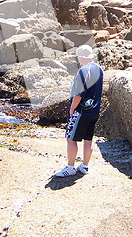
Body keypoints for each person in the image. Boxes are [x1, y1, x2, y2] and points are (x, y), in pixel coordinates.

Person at [55, 45, 104, 177]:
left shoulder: (83, 71)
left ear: (81, 57)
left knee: (71, 139)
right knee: (88, 139)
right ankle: (85, 166)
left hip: (81, 111)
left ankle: (70, 167)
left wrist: (72, 109)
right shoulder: (99, 70)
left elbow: (78, 94)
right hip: (94, 110)